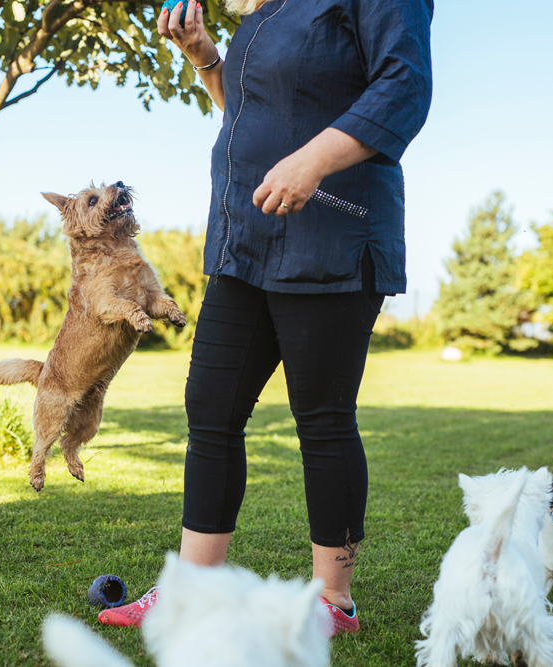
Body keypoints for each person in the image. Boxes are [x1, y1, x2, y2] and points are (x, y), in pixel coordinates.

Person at [99, 0, 433, 635]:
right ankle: (191, 591)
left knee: (323, 419)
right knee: (211, 407)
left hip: (334, 230)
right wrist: (204, 56)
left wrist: (313, 161)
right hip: (244, 241)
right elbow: (262, 110)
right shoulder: (267, 9)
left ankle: (333, 600)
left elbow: (406, 85)